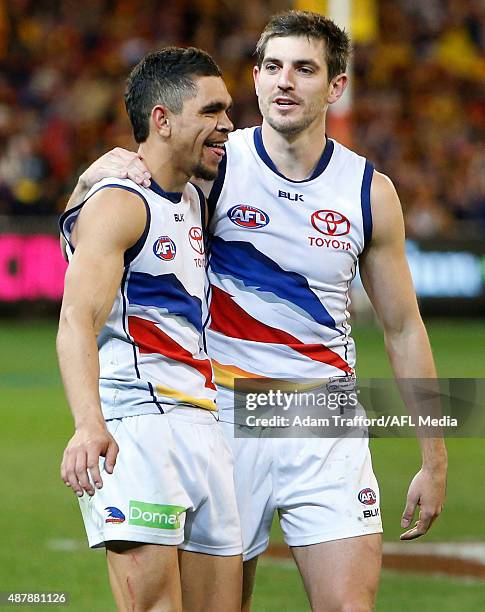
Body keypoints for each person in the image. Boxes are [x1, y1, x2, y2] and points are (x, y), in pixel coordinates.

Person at [67, 11, 448, 612]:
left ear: (336, 86)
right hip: (224, 415)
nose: (284, 82)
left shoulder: (368, 192)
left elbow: (403, 327)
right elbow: (115, 215)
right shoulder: (216, 164)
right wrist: (94, 175)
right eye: (272, 67)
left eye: (304, 69)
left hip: (322, 417)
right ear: (255, 77)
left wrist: (434, 456)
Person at [57, 47, 243, 612]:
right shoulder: (118, 202)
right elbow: (75, 321)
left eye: (228, 110)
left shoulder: (193, 195)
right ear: (161, 119)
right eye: (211, 111)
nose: (227, 124)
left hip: (204, 425)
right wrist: (89, 426)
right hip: (138, 431)